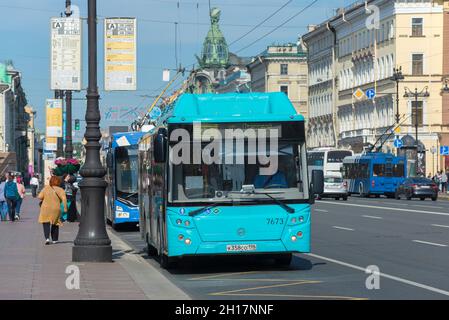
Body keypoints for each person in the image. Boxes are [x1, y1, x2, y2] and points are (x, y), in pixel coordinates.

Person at [38, 176, 67, 245]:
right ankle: (55, 239)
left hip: (45, 208)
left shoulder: (46, 188)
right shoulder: (60, 190)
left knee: (45, 223)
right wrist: (65, 209)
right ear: (58, 182)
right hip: (56, 208)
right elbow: (64, 199)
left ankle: (47, 238)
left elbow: (39, 197)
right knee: (55, 223)